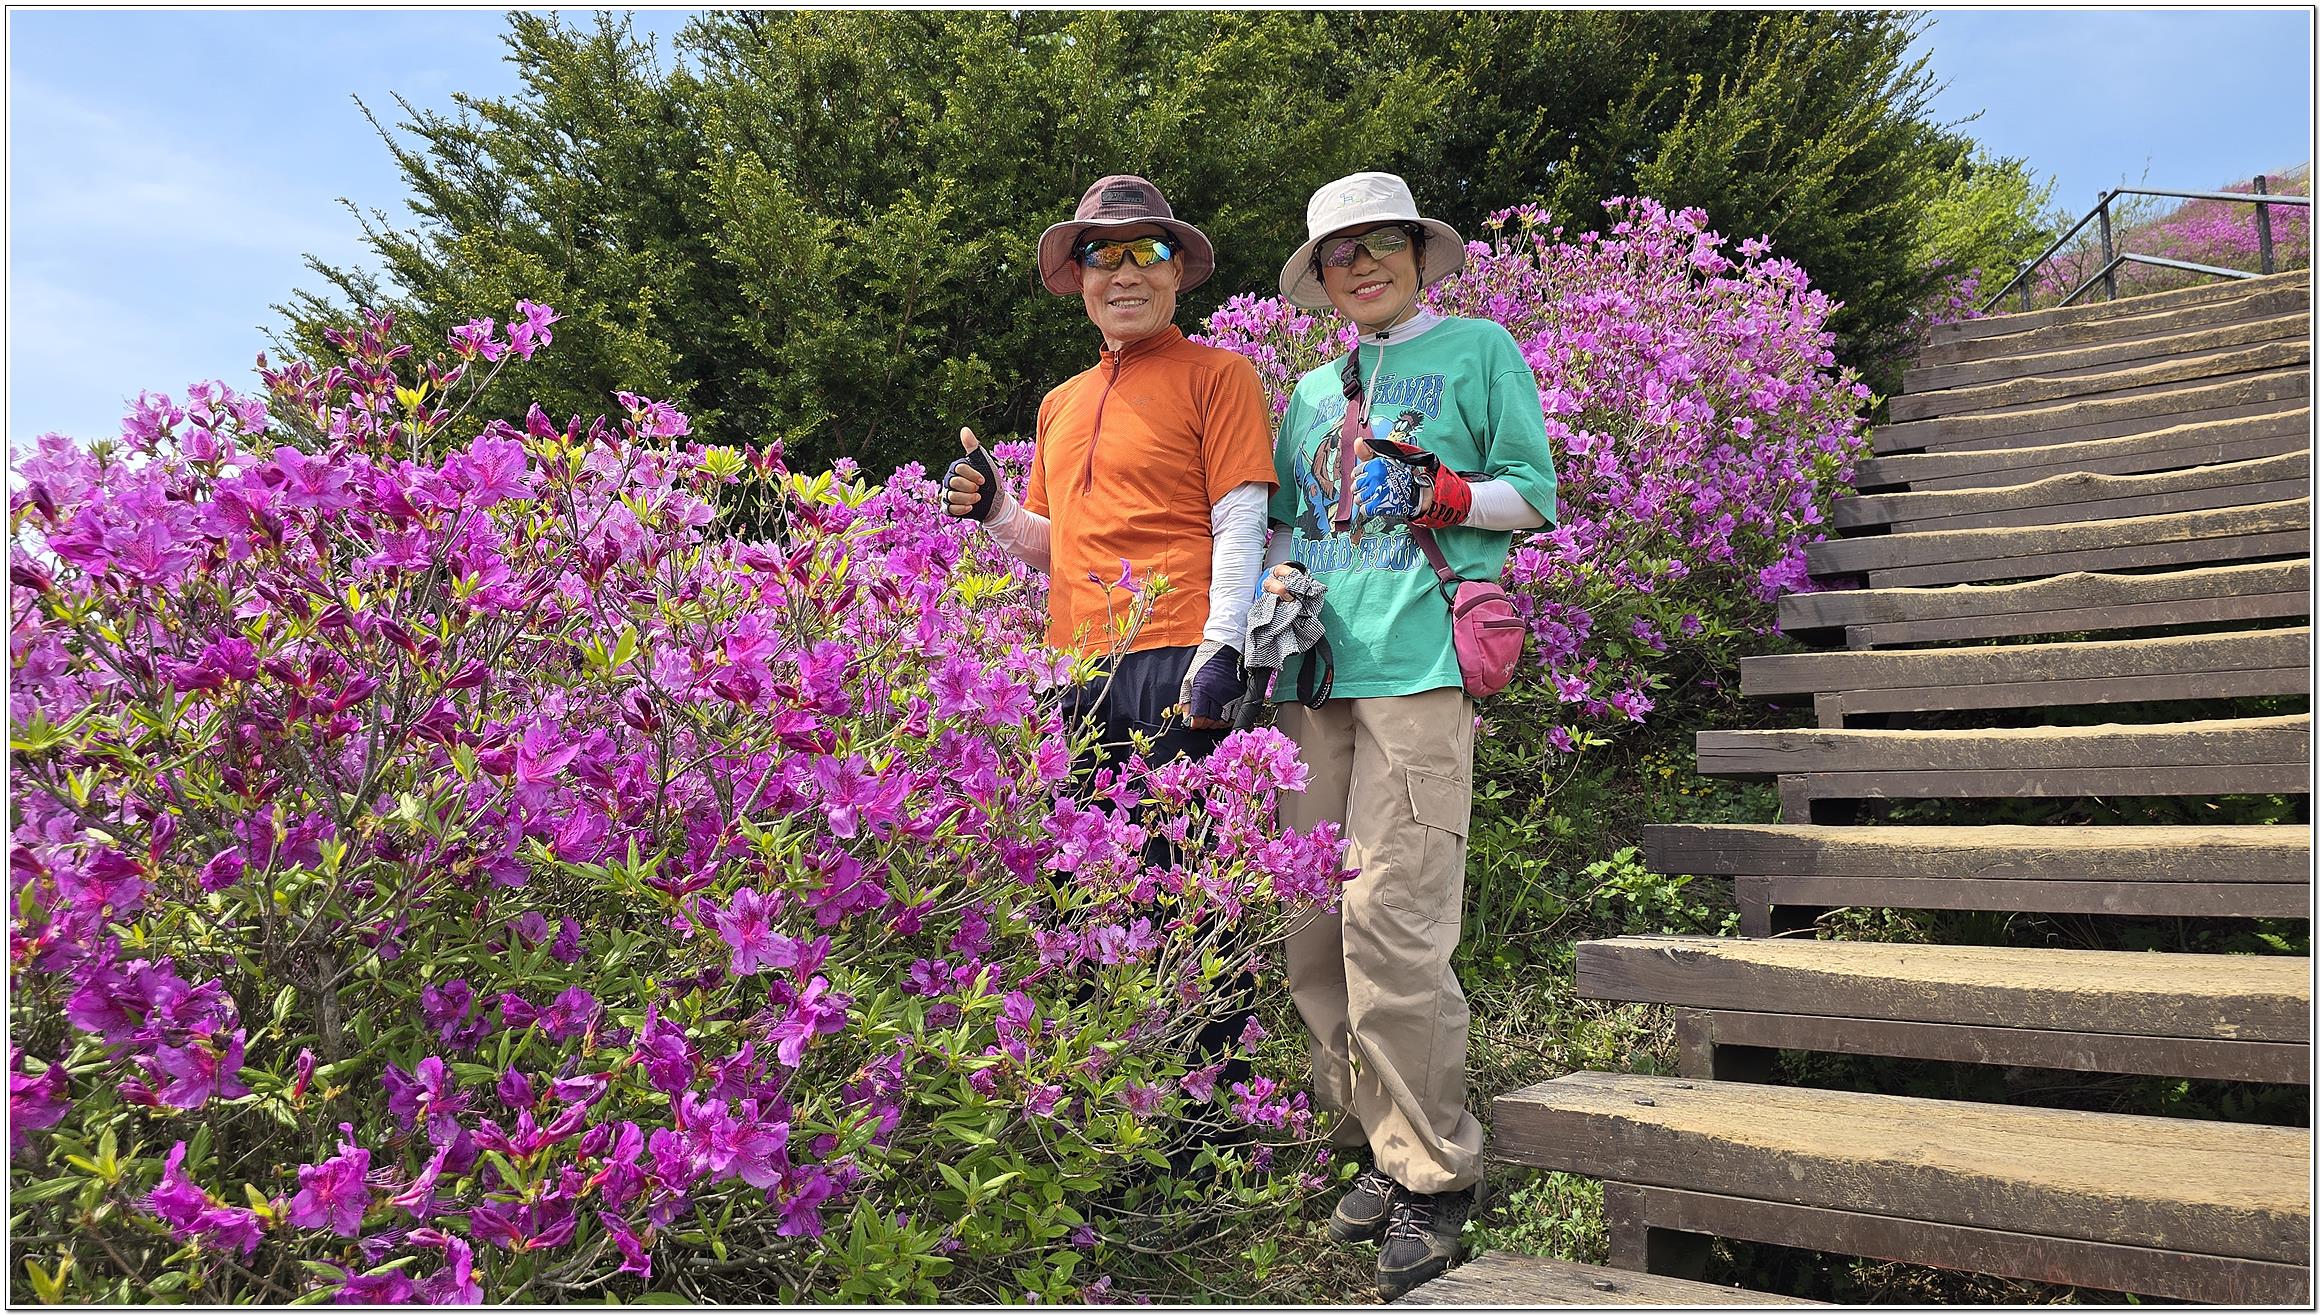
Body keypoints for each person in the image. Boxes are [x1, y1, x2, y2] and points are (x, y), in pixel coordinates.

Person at [1259, 171, 1559, 1299]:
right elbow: (1290, 515)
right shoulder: (1308, 389)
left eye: (1383, 241)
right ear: (1321, 275)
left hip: (1422, 665)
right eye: (1341, 252)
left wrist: (1448, 496)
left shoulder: (1479, 349)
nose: (1364, 264)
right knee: (1312, 927)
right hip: (1314, 675)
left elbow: (1534, 492)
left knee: (1394, 920)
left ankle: (1432, 1171)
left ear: (1419, 254)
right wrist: (1280, 572)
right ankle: (1366, 1138)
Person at [940, 174, 1276, 762]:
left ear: (1176, 269)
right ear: (1080, 275)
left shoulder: (1222, 376)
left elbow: (1240, 522)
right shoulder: (1058, 403)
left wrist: (1224, 647)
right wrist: (996, 509)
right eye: (1103, 254)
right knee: (1074, 827)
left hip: (1179, 653)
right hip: (1070, 668)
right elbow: (1058, 548)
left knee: (1176, 826)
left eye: (1147, 251)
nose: (1126, 273)